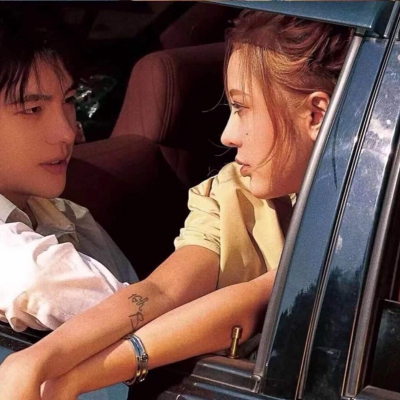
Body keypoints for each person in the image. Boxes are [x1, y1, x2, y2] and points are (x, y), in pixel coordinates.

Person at [0, 9, 353, 400]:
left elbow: (259, 296)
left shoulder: (374, 215)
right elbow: (160, 292)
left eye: (241, 108)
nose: (227, 135)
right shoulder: (231, 195)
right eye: (33, 109)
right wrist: (41, 362)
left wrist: (73, 374)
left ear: (316, 114)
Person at [0, 7, 138, 333]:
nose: (67, 131)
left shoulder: (69, 218)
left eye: (68, 100)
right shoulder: (18, 259)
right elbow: (35, 279)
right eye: (33, 109)